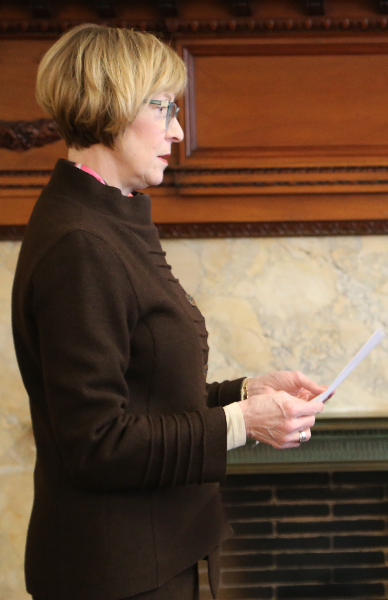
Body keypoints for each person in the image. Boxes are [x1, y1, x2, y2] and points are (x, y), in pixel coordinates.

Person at [11, 24, 327, 600]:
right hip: (116, 574)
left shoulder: (108, 218)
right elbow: (98, 443)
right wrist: (243, 424)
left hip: (150, 557)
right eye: (162, 108)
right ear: (109, 105)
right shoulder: (80, 245)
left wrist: (246, 393)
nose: (178, 131)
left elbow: (146, 395)